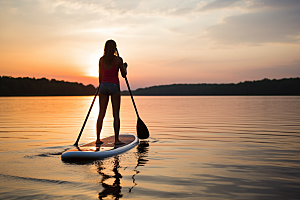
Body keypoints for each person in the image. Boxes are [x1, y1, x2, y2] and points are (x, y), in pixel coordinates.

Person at [96, 40, 127, 145]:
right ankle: (117, 140)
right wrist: (125, 67)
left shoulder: (101, 60)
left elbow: (100, 78)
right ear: (115, 48)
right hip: (114, 86)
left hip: (103, 86)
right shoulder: (118, 60)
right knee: (116, 114)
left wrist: (101, 86)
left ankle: (98, 139)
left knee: (101, 113)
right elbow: (123, 74)